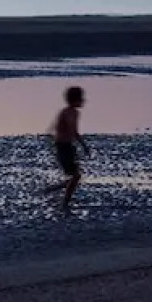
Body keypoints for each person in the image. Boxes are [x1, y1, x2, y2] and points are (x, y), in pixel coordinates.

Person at [46, 85, 91, 213]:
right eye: (81, 99)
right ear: (74, 100)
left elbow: (75, 131)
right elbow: (58, 129)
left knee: (74, 176)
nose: (83, 101)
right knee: (75, 176)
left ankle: (54, 190)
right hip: (62, 146)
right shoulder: (64, 113)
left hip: (70, 147)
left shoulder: (76, 113)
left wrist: (84, 146)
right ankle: (64, 202)